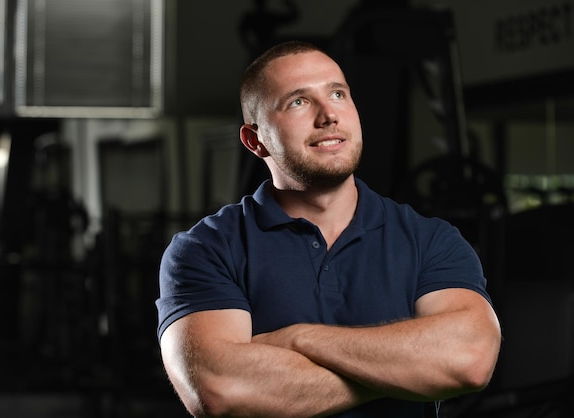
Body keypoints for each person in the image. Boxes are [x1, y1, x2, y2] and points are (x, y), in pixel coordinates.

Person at [156, 40, 501, 417]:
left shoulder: (431, 240)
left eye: (338, 94)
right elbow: (223, 391)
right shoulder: (206, 249)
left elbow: (470, 358)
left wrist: (298, 339)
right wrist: (411, 371)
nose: (328, 116)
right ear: (256, 141)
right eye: (298, 102)